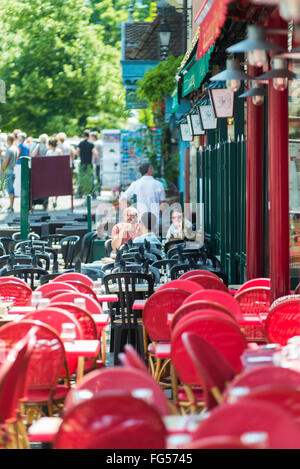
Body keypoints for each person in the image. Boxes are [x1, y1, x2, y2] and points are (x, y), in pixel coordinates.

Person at [76, 129, 97, 197]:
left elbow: (77, 152)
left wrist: (80, 156)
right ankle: (92, 192)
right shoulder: (91, 144)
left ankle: (80, 192)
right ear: (89, 135)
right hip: (89, 164)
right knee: (91, 178)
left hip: (82, 163)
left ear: (83, 135)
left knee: (81, 178)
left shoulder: (81, 143)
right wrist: (94, 158)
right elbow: (95, 153)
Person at [1, 134, 18, 213]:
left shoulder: (9, 149)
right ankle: (11, 206)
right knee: (11, 189)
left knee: (10, 189)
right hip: (13, 170)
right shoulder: (15, 148)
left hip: (8, 171)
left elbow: (6, 161)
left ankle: (11, 207)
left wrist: (2, 169)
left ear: (8, 140)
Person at [90, 131, 102, 196]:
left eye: (91, 137)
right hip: (101, 162)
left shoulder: (95, 143)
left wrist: (93, 161)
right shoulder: (100, 142)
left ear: (93, 137)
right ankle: (99, 190)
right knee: (98, 177)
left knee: (97, 177)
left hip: (97, 163)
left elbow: (95, 153)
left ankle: (97, 190)